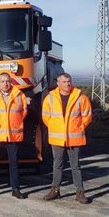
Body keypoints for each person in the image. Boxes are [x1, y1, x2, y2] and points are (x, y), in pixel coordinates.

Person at [41, 73, 93, 204]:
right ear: (58, 83)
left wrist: (79, 127)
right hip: (57, 138)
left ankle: (80, 192)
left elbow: (87, 115)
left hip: (74, 137)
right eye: (64, 82)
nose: (67, 84)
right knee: (57, 165)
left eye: (69, 81)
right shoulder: (50, 98)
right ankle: (55, 190)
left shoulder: (80, 97)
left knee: (76, 166)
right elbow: (46, 116)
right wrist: (54, 127)